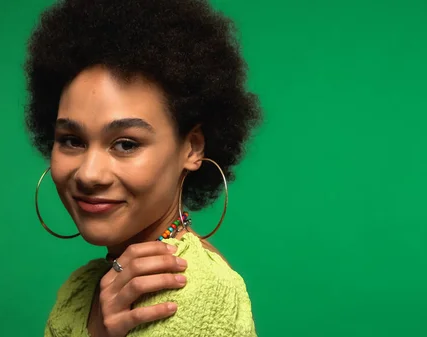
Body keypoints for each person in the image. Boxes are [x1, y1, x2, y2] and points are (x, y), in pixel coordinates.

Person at [24, 0, 262, 336]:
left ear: (192, 148)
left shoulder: (188, 292)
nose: (89, 174)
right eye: (72, 140)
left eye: (126, 144)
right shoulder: (81, 289)